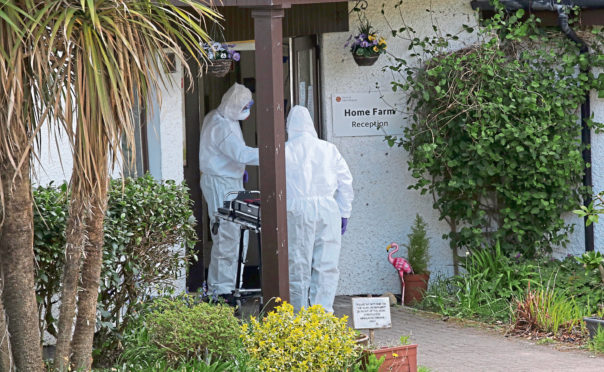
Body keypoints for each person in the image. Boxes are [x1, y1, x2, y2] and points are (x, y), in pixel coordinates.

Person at [285, 105, 354, 313]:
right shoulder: (328, 148)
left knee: (297, 263)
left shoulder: (284, 149)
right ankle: (322, 315)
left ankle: (298, 315)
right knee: (327, 263)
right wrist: (344, 212)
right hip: (327, 208)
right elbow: (346, 182)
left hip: (295, 209)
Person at [199, 82, 258, 299]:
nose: (247, 110)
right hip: (221, 183)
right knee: (226, 235)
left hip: (228, 180)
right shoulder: (220, 125)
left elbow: (233, 155)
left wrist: (237, 170)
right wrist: (274, 153)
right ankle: (221, 292)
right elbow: (240, 153)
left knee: (235, 234)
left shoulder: (223, 118)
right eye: (245, 106)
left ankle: (229, 286)